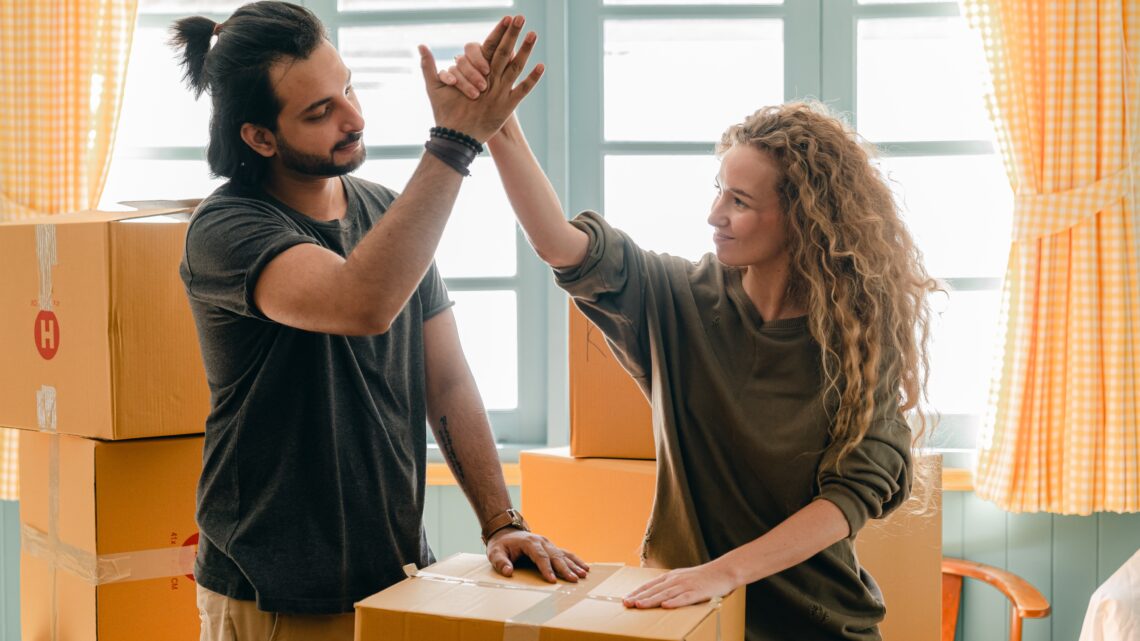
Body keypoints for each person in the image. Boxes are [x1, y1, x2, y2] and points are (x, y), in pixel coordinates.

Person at [442, 30, 939, 640]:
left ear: (803, 218)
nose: (714, 216)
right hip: (688, 621)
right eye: (717, 191)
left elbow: (849, 498)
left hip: (817, 626)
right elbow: (560, 245)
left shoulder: (858, 342)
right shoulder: (674, 297)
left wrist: (722, 572)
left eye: (739, 200)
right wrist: (498, 127)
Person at [169, 4, 587, 639]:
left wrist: (503, 521)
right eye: (320, 112)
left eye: (348, 86)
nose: (354, 117)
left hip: (395, 577)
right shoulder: (227, 229)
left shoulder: (388, 212)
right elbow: (360, 304)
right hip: (273, 594)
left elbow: (446, 380)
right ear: (260, 137)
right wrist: (455, 141)